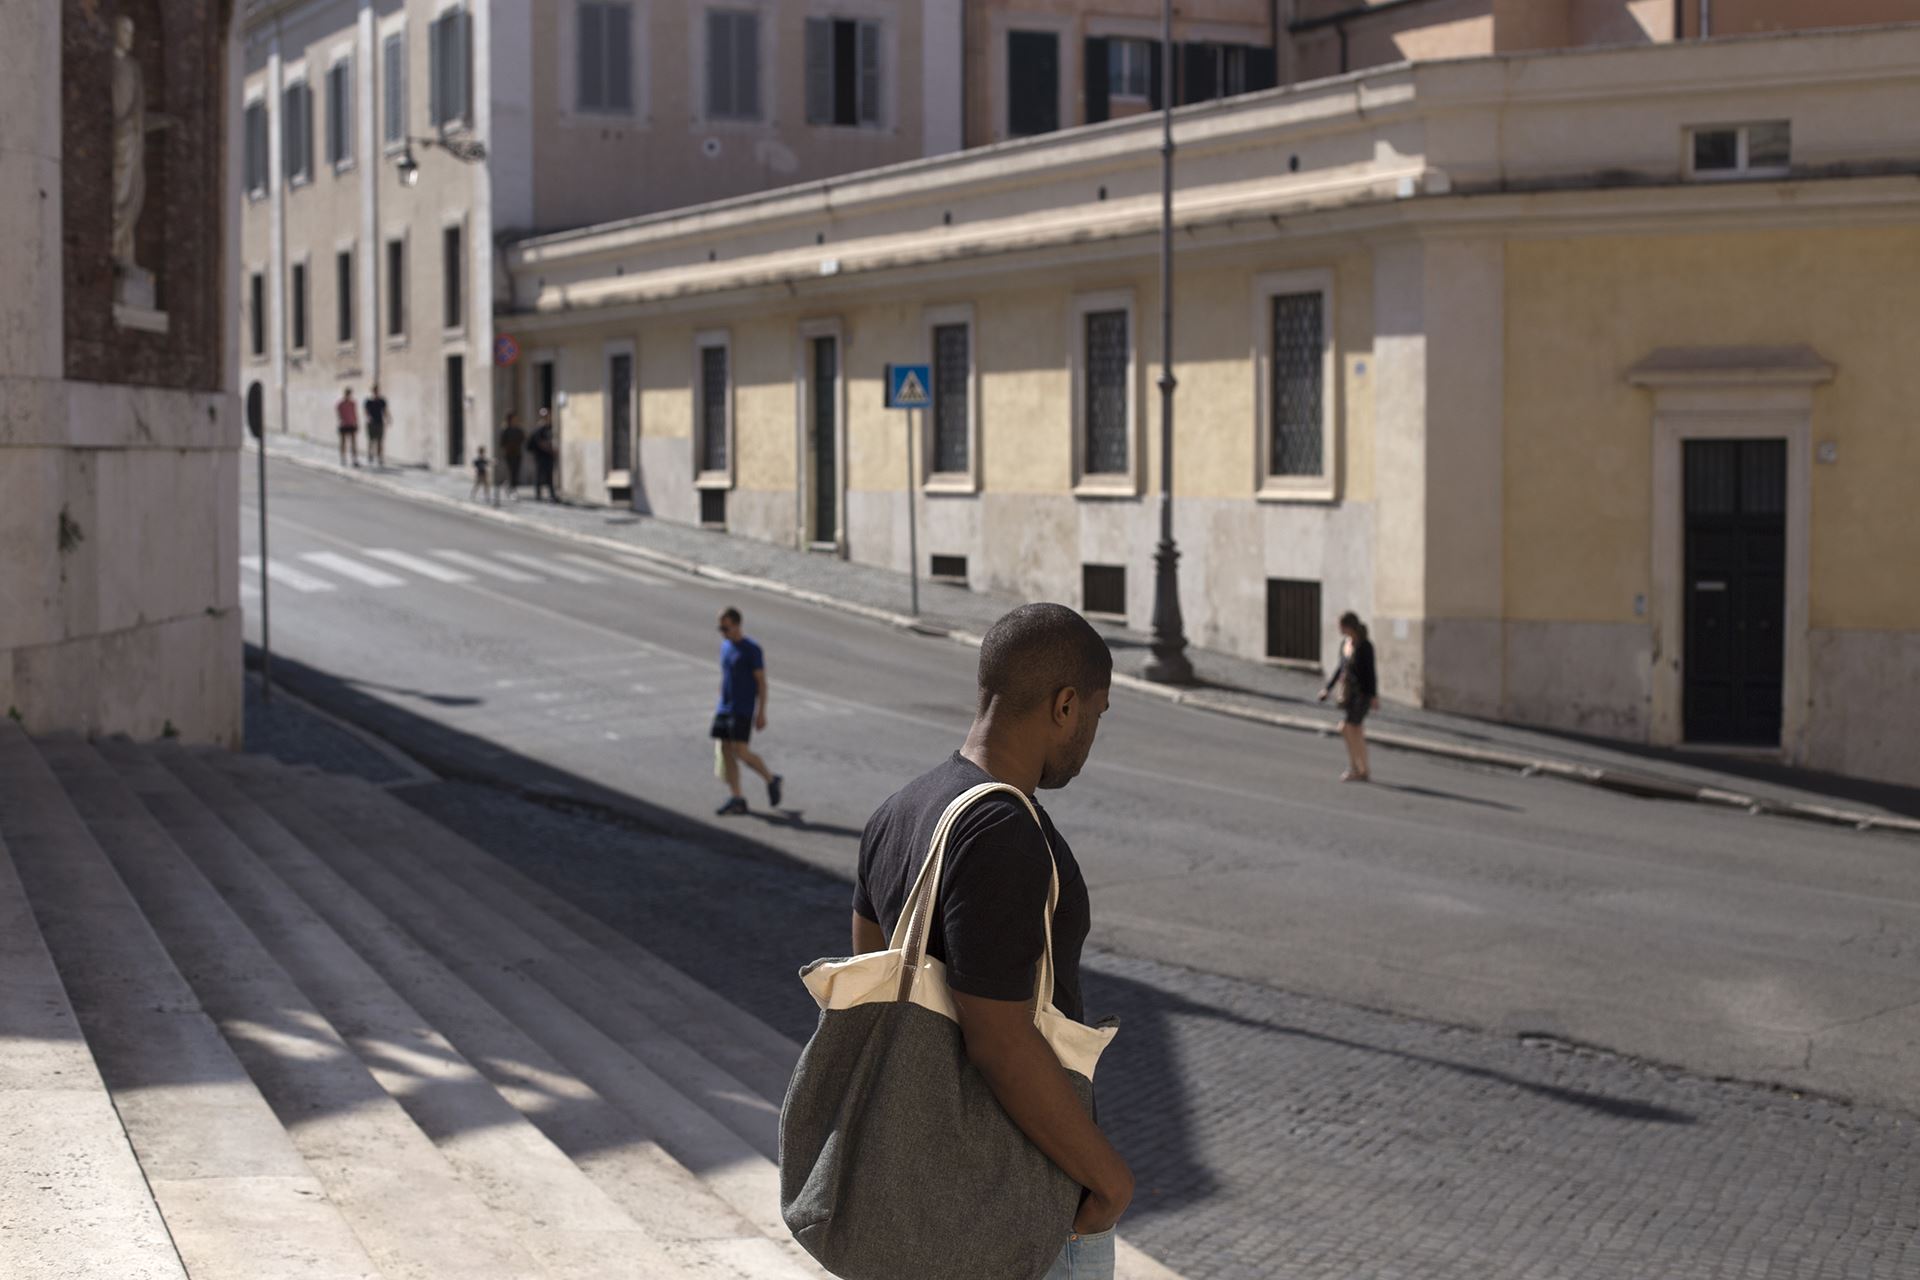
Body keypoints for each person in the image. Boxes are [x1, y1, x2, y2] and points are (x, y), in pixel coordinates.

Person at [851, 603, 1129, 1280]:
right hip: (1014, 1210)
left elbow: (864, 987)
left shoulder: (900, 810)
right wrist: (1108, 1186)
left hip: (921, 1201)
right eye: (1097, 713)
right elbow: (999, 1039)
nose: (1091, 735)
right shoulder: (1002, 831)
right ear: (1066, 705)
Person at [711, 607, 782, 815]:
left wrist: (761, 712)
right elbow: (725, 676)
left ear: (737, 625)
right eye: (720, 628)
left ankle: (771, 779)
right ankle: (737, 797)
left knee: (741, 752)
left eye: (726, 628)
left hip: (742, 709)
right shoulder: (725, 646)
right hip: (724, 707)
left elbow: (761, 682)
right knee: (725, 750)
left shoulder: (751, 650)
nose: (723, 632)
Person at [1318, 610, 1380, 782]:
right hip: (1349, 694)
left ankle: (1356, 767)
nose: (1339, 628)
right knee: (1356, 731)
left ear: (1347, 626)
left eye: (1340, 625)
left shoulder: (1365, 645)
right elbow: (1340, 669)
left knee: (1347, 728)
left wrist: (1373, 696)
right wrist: (1327, 689)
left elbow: (1370, 673)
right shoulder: (1345, 643)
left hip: (1362, 695)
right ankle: (1362, 769)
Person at [529, 409, 559, 502]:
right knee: (539, 475)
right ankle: (538, 495)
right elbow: (540, 442)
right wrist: (550, 450)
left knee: (549, 476)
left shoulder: (549, 427)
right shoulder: (539, 429)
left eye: (548, 415)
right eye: (545, 416)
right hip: (541, 456)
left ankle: (551, 494)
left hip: (548, 456)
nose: (547, 417)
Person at [498, 410, 527, 499]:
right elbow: (502, 443)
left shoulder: (518, 429)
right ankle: (511, 488)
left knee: (516, 472)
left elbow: (523, 439)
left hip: (517, 453)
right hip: (509, 454)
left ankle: (510, 487)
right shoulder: (505, 430)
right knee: (511, 472)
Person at [362, 384, 389, 467]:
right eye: (375, 390)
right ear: (372, 391)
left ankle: (379, 457)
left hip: (379, 422)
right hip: (371, 423)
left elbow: (385, 411)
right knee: (371, 440)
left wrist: (388, 418)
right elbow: (366, 411)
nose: (376, 392)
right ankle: (370, 455)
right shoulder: (368, 401)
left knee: (380, 441)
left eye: (377, 390)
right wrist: (368, 418)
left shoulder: (382, 401)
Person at [335, 387, 360, 466]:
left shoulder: (352, 403)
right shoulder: (340, 404)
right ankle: (343, 458)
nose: (348, 395)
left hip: (351, 424)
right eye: (347, 394)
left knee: (353, 442)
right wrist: (342, 421)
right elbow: (339, 414)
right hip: (344, 424)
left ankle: (354, 459)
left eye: (349, 394)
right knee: (343, 442)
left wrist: (356, 422)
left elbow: (354, 413)